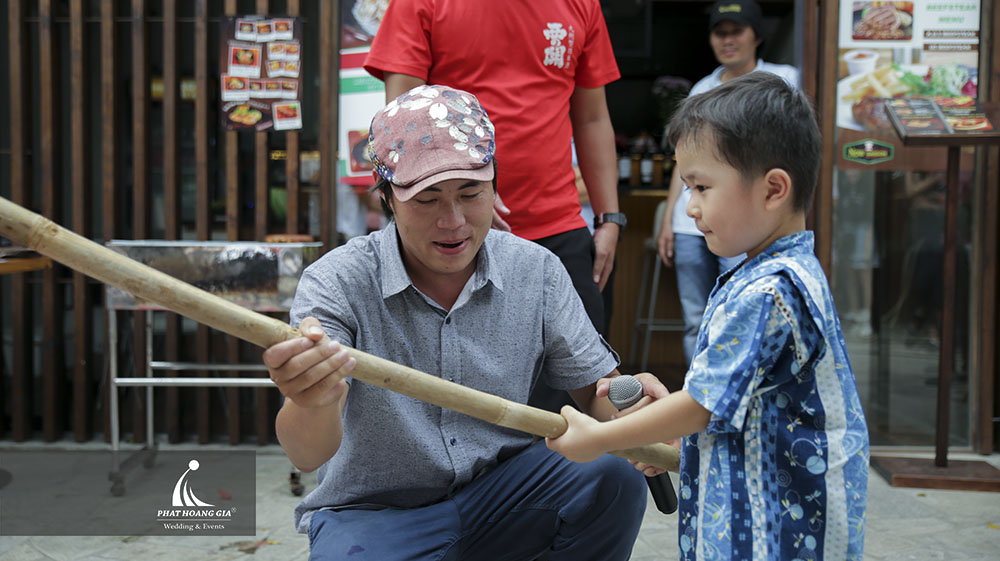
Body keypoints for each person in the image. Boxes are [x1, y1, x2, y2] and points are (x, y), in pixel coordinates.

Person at [264, 85, 650, 560]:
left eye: (471, 193)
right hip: (375, 516)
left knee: (611, 477)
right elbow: (305, 454)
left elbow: (599, 396)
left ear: (495, 187)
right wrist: (313, 400)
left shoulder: (536, 271)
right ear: (387, 197)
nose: (454, 221)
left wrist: (635, 414)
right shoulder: (337, 282)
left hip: (503, 497)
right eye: (427, 200)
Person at [546, 73, 870, 560]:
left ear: (773, 189)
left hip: (774, 532)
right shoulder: (777, 272)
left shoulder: (769, 290)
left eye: (701, 187)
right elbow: (735, 399)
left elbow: (703, 405)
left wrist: (601, 438)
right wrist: (662, 423)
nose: (691, 209)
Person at [363, 0, 623, 412]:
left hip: (559, 226)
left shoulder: (581, 5)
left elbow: (592, 117)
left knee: (586, 400)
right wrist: (476, 186)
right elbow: (403, 121)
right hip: (452, 234)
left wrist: (609, 217)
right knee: (461, 405)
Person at [657, 0, 800, 365]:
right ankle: (700, 400)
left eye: (737, 30)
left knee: (740, 312)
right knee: (695, 319)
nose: (728, 40)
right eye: (720, 32)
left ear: (758, 36)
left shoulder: (783, 81)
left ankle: (729, 397)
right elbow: (683, 164)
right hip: (690, 225)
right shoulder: (702, 89)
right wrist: (670, 216)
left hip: (741, 218)